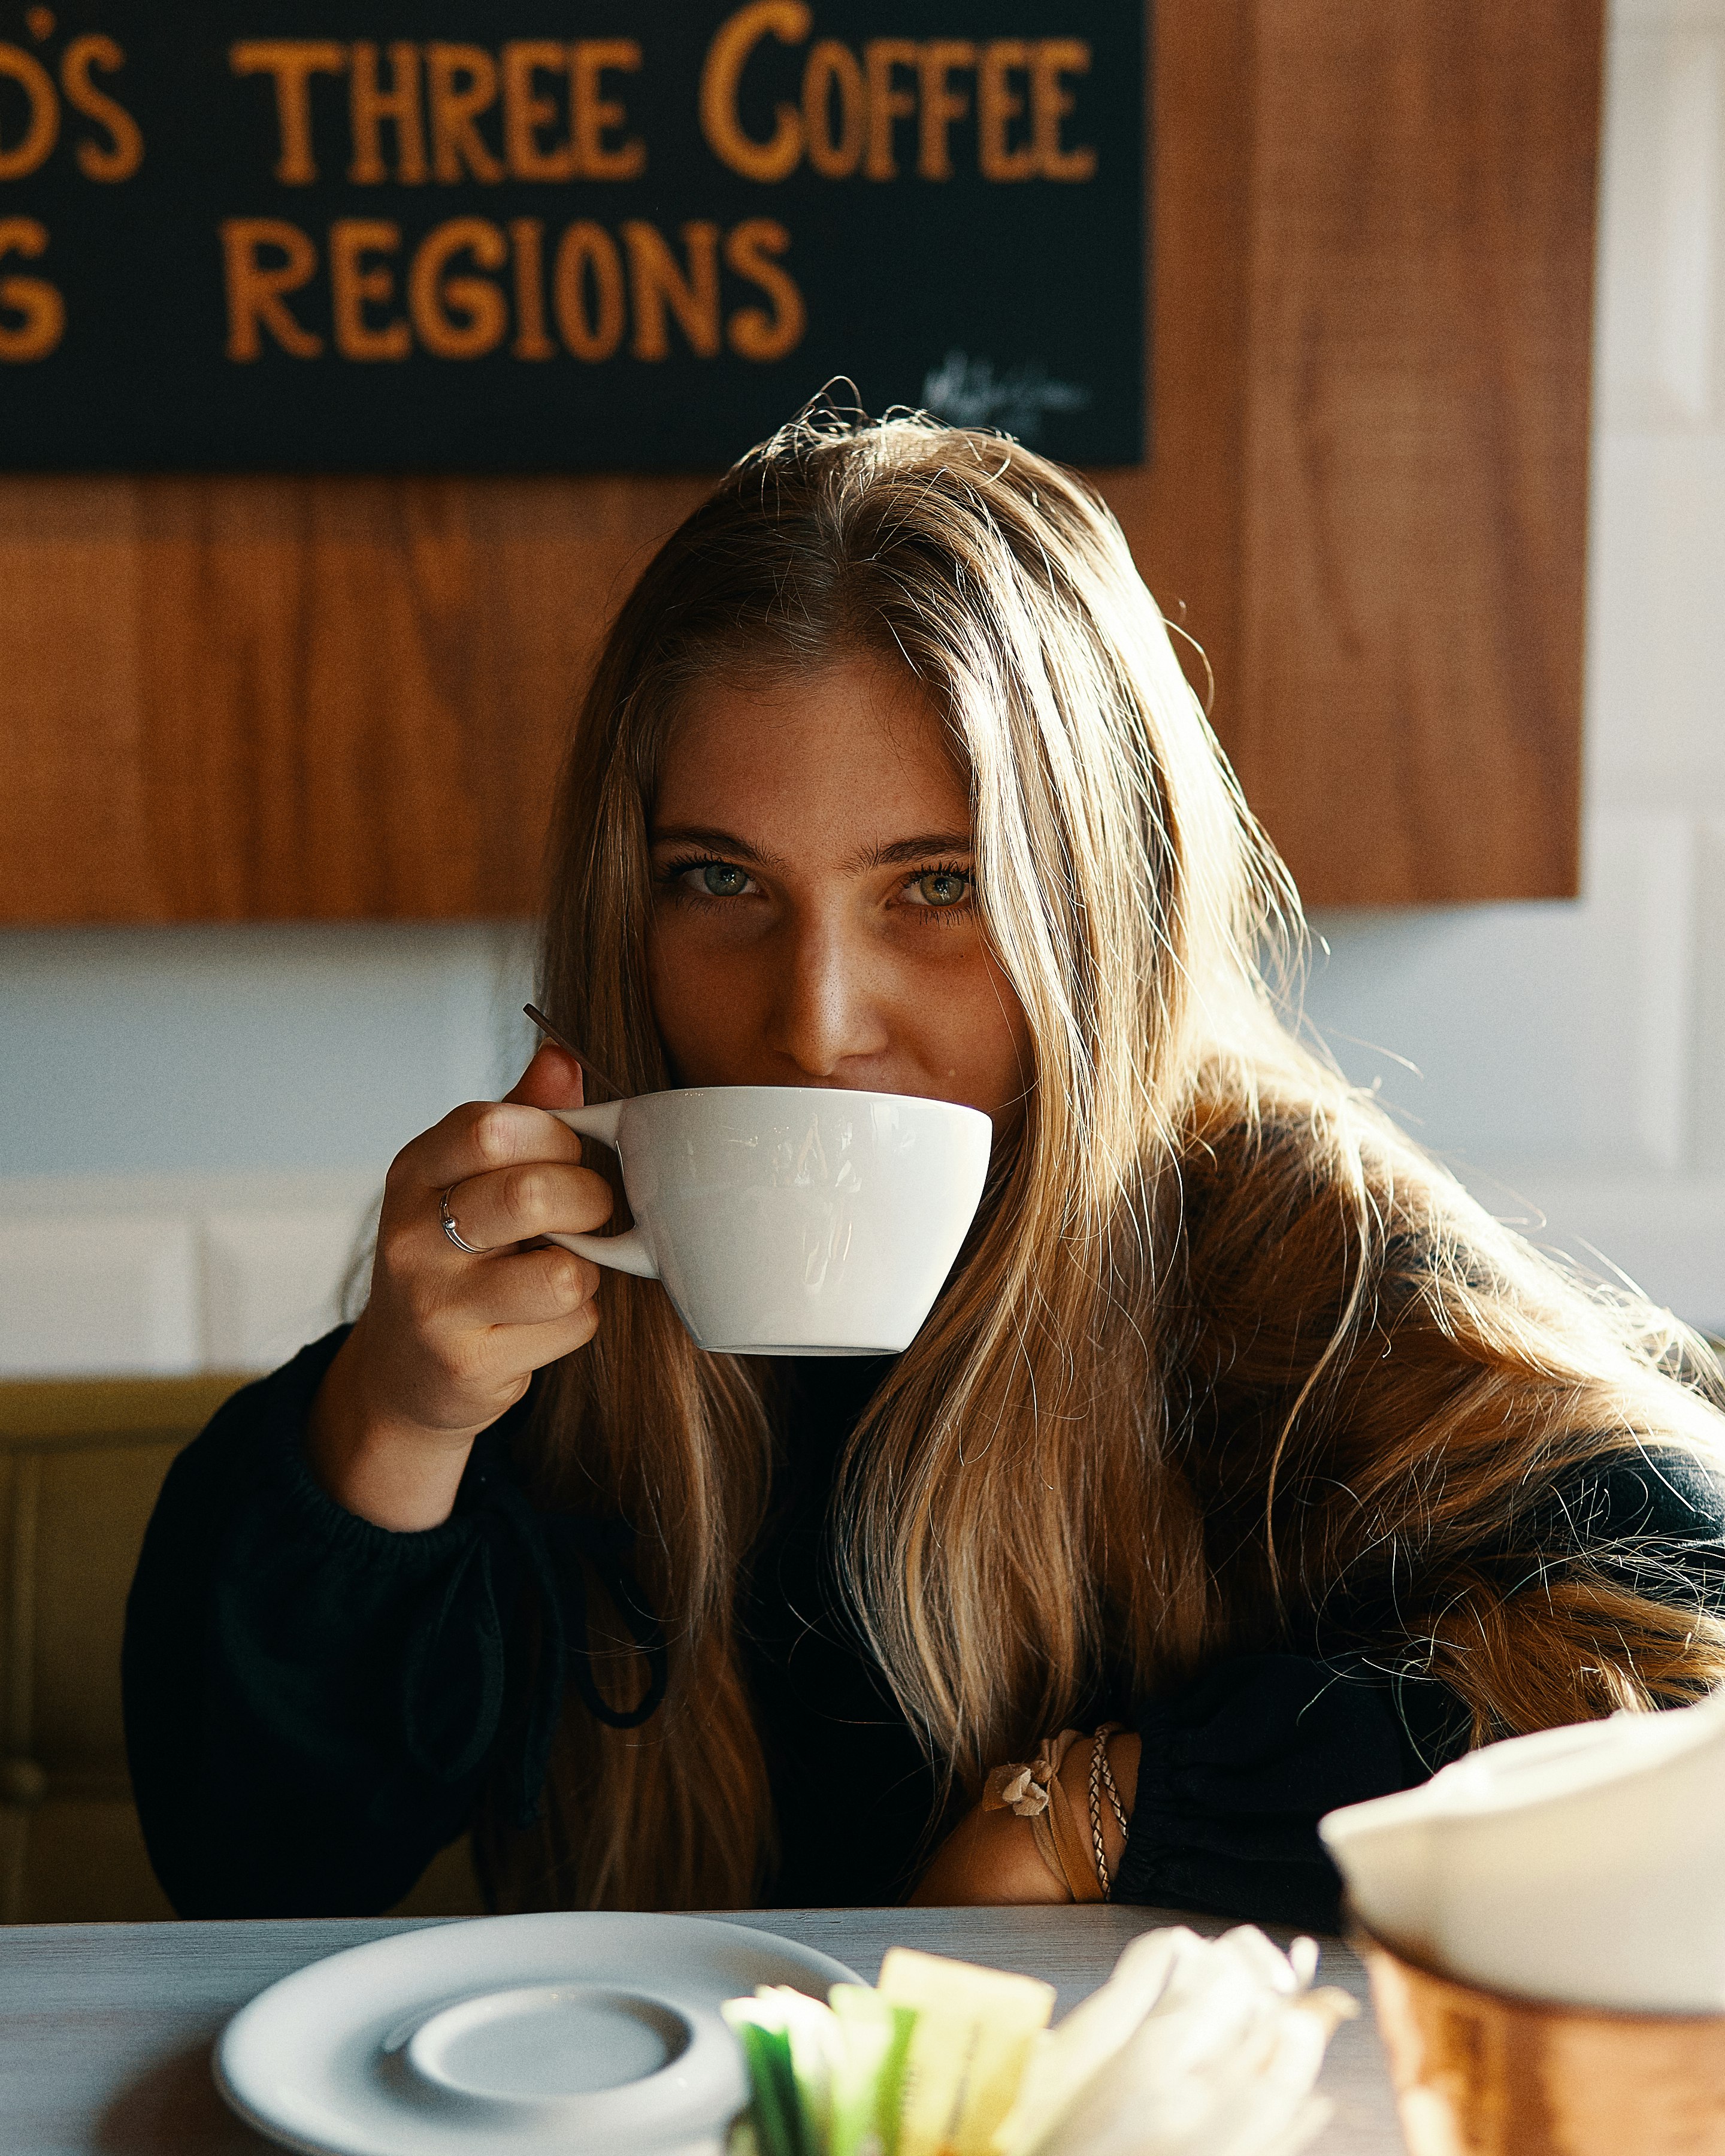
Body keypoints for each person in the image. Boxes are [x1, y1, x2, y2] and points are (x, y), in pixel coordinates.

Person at [125, 410, 1725, 1925]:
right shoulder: (547, 1319)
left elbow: (1694, 1667)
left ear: (1104, 911)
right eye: (718, 881)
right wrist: (394, 1429)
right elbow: (248, 1879)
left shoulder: (1287, 1254)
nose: (815, 1022)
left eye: (939, 885)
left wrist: (1105, 1811)